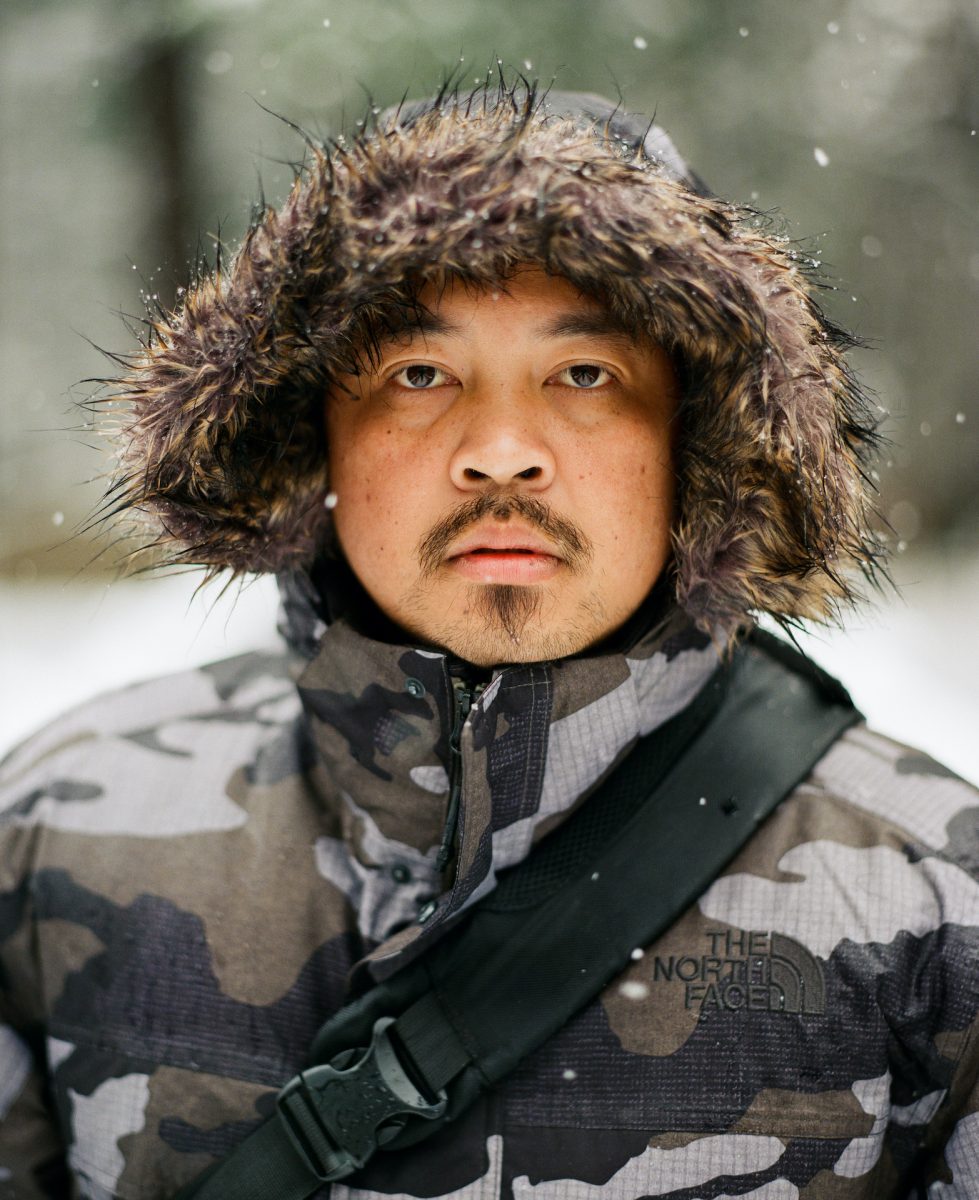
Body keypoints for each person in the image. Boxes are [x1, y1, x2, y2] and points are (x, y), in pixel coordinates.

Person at [1, 79, 977, 1200]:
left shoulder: (935, 900)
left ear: (698, 442)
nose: (502, 450)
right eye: (419, 373)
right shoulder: (57, 836)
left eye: (584, 374)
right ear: (308, 433)